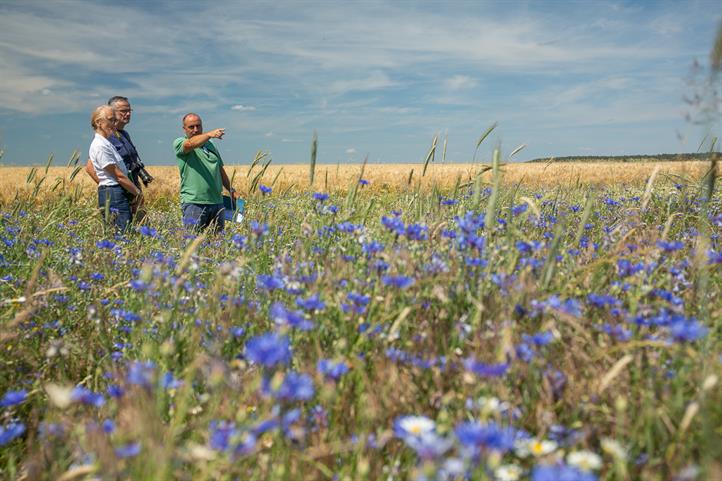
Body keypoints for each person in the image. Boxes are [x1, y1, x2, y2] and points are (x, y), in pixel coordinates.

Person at [85, 96, 151, 218]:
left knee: (140, 228)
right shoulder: (106, 136)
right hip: (122, 192)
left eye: (130, 110)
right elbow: (90, 167)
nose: (128, 114)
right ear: (112, 112)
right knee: (123, 230)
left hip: (132, 189)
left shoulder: (124, 134)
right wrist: (114, 188)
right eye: (124, 111)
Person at [173, 113, 237, 232]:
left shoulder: (210, 144)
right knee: (192, 242)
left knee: (216, 244)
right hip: (194, 203)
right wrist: (209, 134)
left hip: (217, 202)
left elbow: (220, 170)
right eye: (191, 127)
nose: (196, 130)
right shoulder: (180, 142)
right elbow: (190, 144)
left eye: (198, 126)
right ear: (184, 129)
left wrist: (231, 190)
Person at [88, 105, 142, 232]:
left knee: (122, 232)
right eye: (111, 120)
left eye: (114, 120)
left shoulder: (106, 142)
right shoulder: (100, 145)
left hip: (115, 192)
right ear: (98, 122)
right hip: (113, 193)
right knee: (122, 234)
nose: (114, 123)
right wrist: (137, 192)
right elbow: (117, 175)